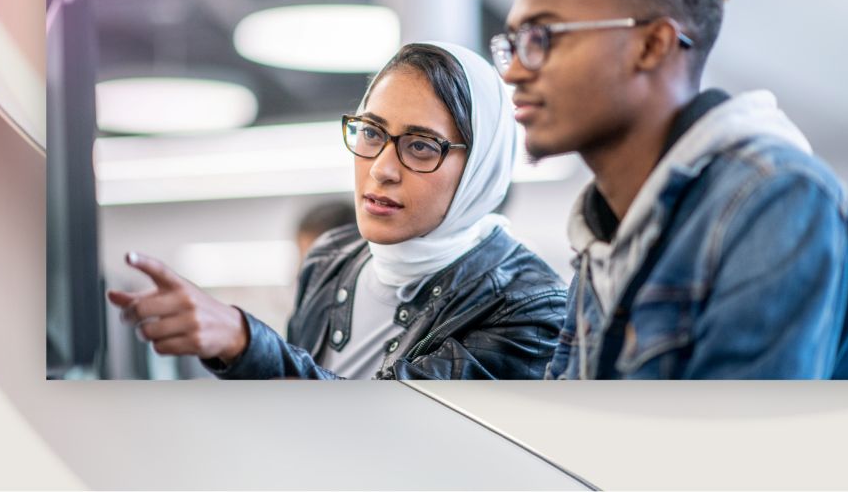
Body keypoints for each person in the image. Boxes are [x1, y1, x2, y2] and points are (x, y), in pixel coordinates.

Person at [491, 0, 848, 379]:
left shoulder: (775, 201)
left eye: (543, 36)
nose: (515, 70)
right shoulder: (608, 229)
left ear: (652, 44)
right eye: (512, 42)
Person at [107, 42, 567, 379]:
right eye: (371, 133)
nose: (382, 169)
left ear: (480, 167)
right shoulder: (332, 257)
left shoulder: (532, 308)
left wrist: (245, 343)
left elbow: (406, 438)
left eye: (421, 146)